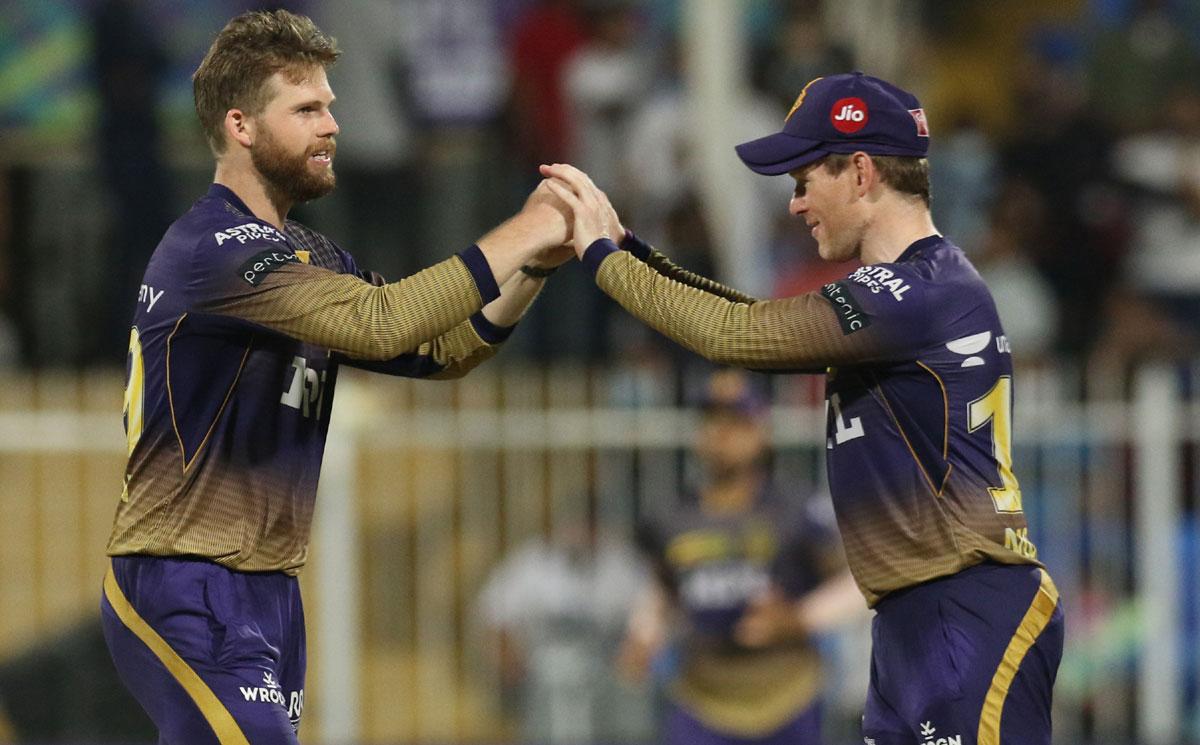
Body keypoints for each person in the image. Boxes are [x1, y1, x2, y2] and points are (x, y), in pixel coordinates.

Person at [542, 71, 1065, 744]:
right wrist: (632, 248)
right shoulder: (907, 291)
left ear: (860, 171)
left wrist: (600, 256)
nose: (794, 205)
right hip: (918, 615)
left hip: (964, 609)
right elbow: (752, 319)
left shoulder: (911, 292)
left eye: (802, 180)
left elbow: (736, 336)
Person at [99, 10, 572, 744]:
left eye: (331, 107)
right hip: (184, 579)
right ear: (241, 125)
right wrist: (526, 228)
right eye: (308, 109)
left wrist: (536, 264)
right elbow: (380, 321)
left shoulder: (307, 254)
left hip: (268, 590)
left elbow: (440, 348)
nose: (332, 127)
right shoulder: (217, 248)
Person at [620, 369, 862, 745]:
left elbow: (857, 581)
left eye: (735, 421)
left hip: (786, 697)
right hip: (701, 698)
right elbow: (662, 588)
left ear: (760, 430)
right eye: (710, 420)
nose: (720, 433)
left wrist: (801, 618)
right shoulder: (671, 516)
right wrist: (644, 633)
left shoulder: (796, 509)